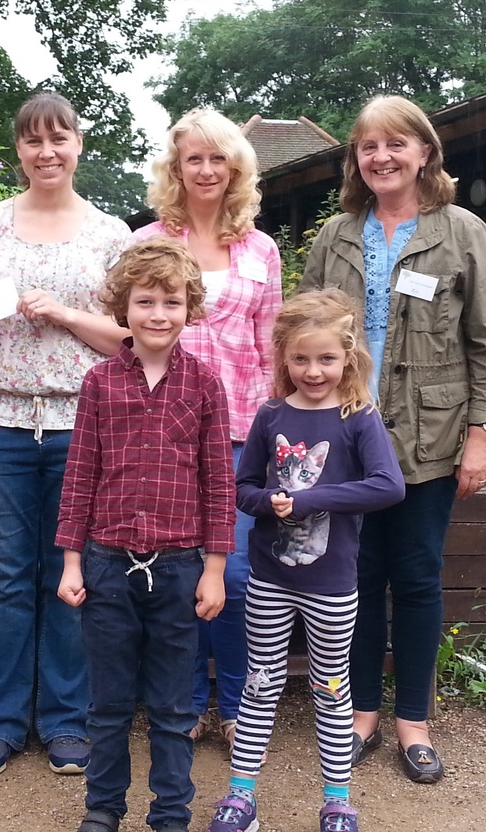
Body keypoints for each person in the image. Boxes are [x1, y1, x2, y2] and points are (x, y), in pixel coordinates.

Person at [299, 95, 486, 783]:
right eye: (367, 146)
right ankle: (359, 713)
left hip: (431, 434)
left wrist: (480, 434)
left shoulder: (460, 231)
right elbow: (302, 334)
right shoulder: (335, 235)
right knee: (352, 580)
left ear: (424, 152)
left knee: (415, 578)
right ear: (355, 160)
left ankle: (412, 720)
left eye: (396, 144)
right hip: (346, 437)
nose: (381, 157)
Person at [0, 92, 132, 778]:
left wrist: (60, 312)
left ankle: (65, 721)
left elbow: (125, 337)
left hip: (80, 424)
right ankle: (1, 720)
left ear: (79, 144)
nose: (46, 151)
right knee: (3, 578)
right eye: (32, 140)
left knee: (71, 577)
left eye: (58, 138)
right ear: (19, 150)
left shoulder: (112, 233)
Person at [56, 238, 235, 832]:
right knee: (106, 705)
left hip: (182, 565)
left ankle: (171, 824)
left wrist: (213, 568)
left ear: (189, 308)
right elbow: (80, 476)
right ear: (122, 309)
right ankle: (101, 814)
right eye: (145, 301)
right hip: (105, 564)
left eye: (171, 301)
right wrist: (71, 561)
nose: (158, 313)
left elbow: (219, 481)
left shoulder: (204, 383)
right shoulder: (100, 382)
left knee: (168, 703)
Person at [200, 289, 404, 832]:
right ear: (282, 358)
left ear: (348, 358)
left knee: (330, 690)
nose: (313, 371)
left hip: (333, 583)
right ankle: (242, 797)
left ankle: (338, 802)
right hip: (268, 578)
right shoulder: (270, 415)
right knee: (259, 683)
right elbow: (242, 489)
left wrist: (316, 497)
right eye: (300, 360)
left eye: (326, 359)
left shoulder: (358, 417)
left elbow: (389, 486)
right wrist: (271, 502)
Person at [134, 107, 281, 753]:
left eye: (217, 158)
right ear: (174, 167)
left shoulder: (260, 247)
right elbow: (128, 339)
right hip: (167, 431)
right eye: (192, 158)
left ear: (235, 168)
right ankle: (187, 699)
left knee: (241, 573)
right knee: (180, 573)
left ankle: (240, 699)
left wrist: (279, 432)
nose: (205, 169)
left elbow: (272, 347)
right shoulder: (147, 243)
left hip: (242, 431)